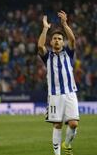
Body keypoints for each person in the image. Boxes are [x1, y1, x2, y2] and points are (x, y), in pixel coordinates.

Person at [38, 11, 78, 155]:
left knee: (73, 124)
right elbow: (39, 46)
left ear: (63, 41)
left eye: (60, 38)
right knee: (57, 124)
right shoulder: (47, 56)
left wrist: (65, 24)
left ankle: (67, 144)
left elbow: (73, 40)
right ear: (51, 41)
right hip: (54, 95)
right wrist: (45, 29)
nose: (57, 40)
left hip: (70, 93)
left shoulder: (69, 53)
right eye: (54, 38)